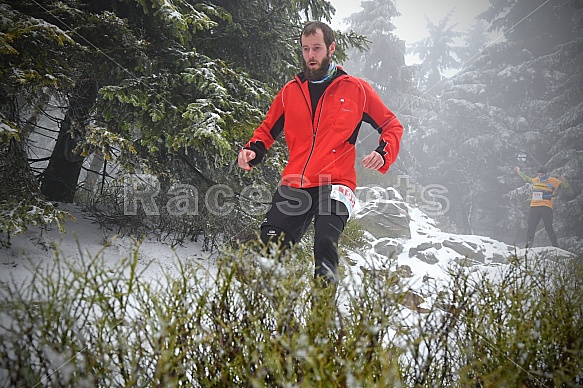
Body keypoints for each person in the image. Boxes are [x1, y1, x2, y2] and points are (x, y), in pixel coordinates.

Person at [238, 21, 403, 285]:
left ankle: (321, 316)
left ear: (331, 48)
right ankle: (273, 318)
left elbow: (391, 125)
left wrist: (384, 153)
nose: (311, 55)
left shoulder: (356, 89)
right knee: (268, 248)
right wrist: (251, 151)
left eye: (316, 48)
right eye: (305, 49)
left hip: (336, 183)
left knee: (326, 242)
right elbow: (266, 131)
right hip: (296, 181)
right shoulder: (290, 92)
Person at [514, 165, 569, 247]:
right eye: (538, 174)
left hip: (546, 207)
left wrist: (565, 181)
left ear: (546, 174)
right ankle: (528, 246)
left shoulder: (552, 181)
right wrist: (519, 172)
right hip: (534, 207)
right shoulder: (535, 180)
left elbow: (565, 186)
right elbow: (527, 179)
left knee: (548, 227)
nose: (539, 176)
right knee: (531, 227)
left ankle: (555, 246)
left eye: (541, 175)